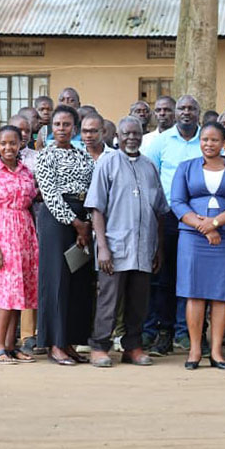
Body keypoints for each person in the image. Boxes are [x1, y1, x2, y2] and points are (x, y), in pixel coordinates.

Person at [85, 117, 169, 368]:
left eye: (136, 133)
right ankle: (99, 347)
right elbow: (96, 208)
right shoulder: (107, 163)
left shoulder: (149, 166)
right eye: (126, 134)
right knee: (109, 301)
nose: (132, 138)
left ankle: (132, 347)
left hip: (144, 247)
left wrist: (158, 247)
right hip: (114, 247)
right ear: (117, 136)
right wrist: (102, 248)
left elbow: (159, 210)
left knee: (138, 301)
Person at [170, 122, 225, 370]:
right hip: (193, 238)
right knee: (194, 292)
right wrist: (202, 226)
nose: (209, 144)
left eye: (214, 140)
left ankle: (217, 351)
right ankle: (195, 350)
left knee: (220, 294)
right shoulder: (186, 168)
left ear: (223, 142)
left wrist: (215, 223)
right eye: (205, 139)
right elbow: (177, 202)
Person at [34, 105, 96, 366]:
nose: (61, 129)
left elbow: (93, 189)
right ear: (52, 127)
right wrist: (75, 223)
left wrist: (87, 224)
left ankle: (70, 342)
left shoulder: (84, 156)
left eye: (67, 124)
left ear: (75, 128)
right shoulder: (45, 156)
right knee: (57, 280)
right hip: (57, 221)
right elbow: (49, 194)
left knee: (79, 283)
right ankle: (55, 344)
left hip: (83, 218)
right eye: (57, 124)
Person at [144, 95, 202, 355]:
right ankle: (165, 331)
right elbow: (150, 177)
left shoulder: (206, 139)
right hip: (167, 218)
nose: (186, 112)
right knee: (165, 277)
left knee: (192, 276)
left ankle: (186, 332)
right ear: (176, 112)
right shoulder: (161, 141)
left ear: (198, 112)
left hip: (199, 220)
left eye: (191, 108)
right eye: (182, 108)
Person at [0, 125, 39, 365]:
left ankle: (11, 346)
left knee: (19, 292)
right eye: (3, 143)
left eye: (12, 143)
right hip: (3, 233)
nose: (8, 147)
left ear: (20, 144)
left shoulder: (25, 171)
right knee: (7, 291)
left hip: (24, 232)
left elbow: (32, 199)